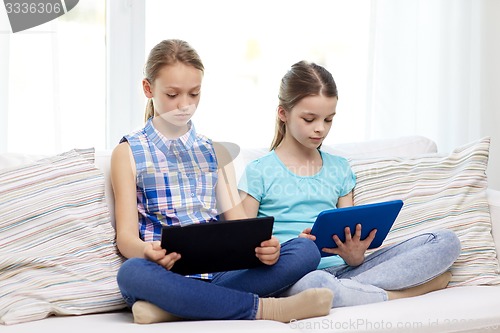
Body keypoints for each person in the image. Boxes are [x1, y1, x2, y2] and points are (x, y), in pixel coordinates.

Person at [110, 40, 334, 324]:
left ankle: (171, 309)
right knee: (130, 274)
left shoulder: (215, 151)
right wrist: (146, 251)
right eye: (172, 94)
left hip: (220, 272)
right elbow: (126, 238)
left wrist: (265, 247)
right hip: (164, 272)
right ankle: (267, 309)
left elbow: (241, 227)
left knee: (305, 250)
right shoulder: (128, 152)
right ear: (148, 89)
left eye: (194, 94)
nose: (184, 105)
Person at [238, 60, 462, 308]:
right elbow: (241, 246)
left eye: (328, 120)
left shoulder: (339, 169)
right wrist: (280, 251)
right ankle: (400, 294)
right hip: (298, 278)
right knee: (318, 285)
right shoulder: (258, 172)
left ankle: (352, 293)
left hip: (346, 271)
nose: (320, 129)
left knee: (445, 241)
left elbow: (348, 230)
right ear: (283, 114)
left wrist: (355, 254)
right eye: (309, 119)